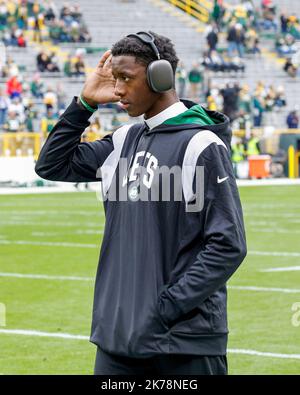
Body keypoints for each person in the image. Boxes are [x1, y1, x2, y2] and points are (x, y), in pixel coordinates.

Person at [35, 31, 247, 375]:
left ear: (159, 77)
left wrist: (167, 305)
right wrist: (84, 104)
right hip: (118, 338)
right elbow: (52, 164)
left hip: (182, 342)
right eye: (114, 78)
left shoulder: (201, 144)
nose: (117, 90)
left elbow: (228, 244)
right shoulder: (123, 139)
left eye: (125, 78)